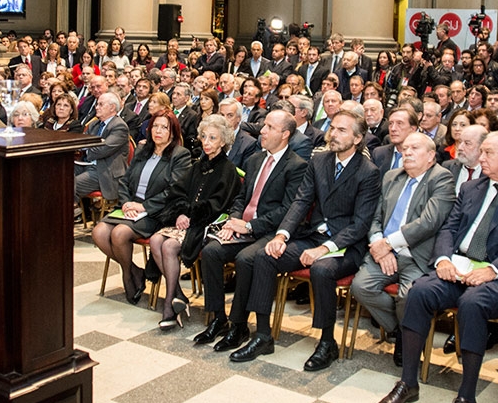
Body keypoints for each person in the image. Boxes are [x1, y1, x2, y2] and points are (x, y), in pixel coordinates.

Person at [375, 131, 498, 403]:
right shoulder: (470, 188)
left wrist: (493, 270)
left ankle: (467, 398)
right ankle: (408, 382)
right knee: (419, 291)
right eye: (481, 152)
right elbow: (448, 228)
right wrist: (443, 259)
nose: (480, 158)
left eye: (488, 153)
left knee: (472, 304)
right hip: (458, 267)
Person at [229, 111, 381, 371]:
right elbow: (300, 201)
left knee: (322, 269)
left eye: (342, 130)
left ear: (357, 138)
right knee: (266, 256)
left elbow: (360, 225)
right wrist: (281, 235)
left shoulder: (368, 172)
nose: (333, 134)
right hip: (313, 236)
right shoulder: (320, 161)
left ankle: (326, 342)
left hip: (345, 246)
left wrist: (324, 249)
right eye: (332, 128)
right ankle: (263, 335)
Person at [196, 110, 307, 347]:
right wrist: (233, 221)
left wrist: (249, 226)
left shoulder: (296, 166)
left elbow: (287, 210)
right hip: (242, 225)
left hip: (267, 230)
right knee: (211, 251)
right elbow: (241, 198)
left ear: (285, 134)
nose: (262, 131)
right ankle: (218, 318)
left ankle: (239, 325)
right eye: (263, 125)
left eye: (269, 127)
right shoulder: (255, 159)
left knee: (247, 259)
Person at [350, 133, 456, 366]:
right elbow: (376, 216)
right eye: (405, 148)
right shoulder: (391, 176)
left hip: (417, 255)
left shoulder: (441, 178)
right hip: (383, 252)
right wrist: (380, 244)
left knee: (408, 297)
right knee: (360, 287)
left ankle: (406, 338)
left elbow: (429, 222)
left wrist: (388, 244)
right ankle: (404, 332)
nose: (406, 152)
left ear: (430, 156)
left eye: (414, 148)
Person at [148, 114, 241, 330]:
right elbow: (178, 191)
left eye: (213, 138)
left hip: (207, 223)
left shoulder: (227, 169)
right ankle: (178, 295)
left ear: (223, 141)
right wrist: (181, 213)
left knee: (169, 245)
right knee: (155, 240)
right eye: (204, 137)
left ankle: (169, 308)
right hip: (187, 220)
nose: (207, 143)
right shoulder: (198, 164)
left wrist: (190, 215)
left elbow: (216, 205)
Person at [91, 113, 191, 304]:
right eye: (155, 127)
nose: (158, 131)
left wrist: (143, 206)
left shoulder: (179, 155)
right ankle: (134, 270)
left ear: (173, 132)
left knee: (119, 234)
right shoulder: (143, 150)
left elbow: (174, 191)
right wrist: (127, 202)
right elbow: (125, 181)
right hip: (131, 208)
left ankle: (128, 277)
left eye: (164, 127)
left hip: (155, 212)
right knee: (99, 232)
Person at [73, 92, 130, 202]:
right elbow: (80, 143)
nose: (97, 107)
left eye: (100, 104)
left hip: (104, 171)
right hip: (86, 164)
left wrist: (91, 146)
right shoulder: (94, 124)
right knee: (59, 177)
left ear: (112, 107)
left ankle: (70, 212)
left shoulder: (120, 126)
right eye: (96, 104)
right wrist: (97, 143)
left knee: (69, 185)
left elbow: (102, 150)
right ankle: (72, 209)